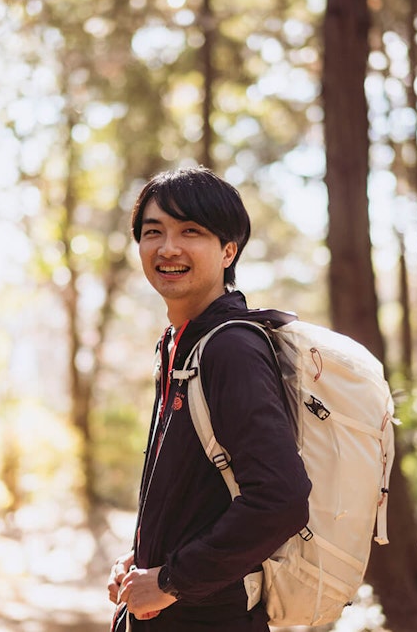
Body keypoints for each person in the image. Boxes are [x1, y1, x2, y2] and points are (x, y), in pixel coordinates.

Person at [107, 167, 311, 631]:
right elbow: (198, 491)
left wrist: (172, 580)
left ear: (227, 251)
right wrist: (146, 558)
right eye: (152, 232)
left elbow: (281, 498)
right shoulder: (180, 345)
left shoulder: (230, 348)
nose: (168, 248)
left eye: (190, 232)